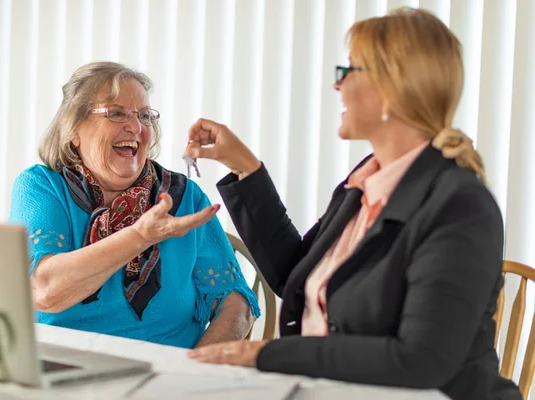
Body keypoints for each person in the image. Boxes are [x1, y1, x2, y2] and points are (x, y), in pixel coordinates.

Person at [186, 7, 522, 400]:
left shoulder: (461, 206)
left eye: (348, 72)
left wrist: (268, 353)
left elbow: (422, 359)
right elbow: (295, 275)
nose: (338, 86)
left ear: (391, 88)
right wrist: (243, 166)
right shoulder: (367, 180)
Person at [9, 61, 260, 349]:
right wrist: (140, 236)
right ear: (74, 130)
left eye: (144, 116)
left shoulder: (183, 197)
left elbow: (237, 303)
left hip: (168, 376)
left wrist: (193, 372)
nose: (136, 127)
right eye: (116, 113)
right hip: (66, 370)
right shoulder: (43, 187)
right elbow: (45, 291)